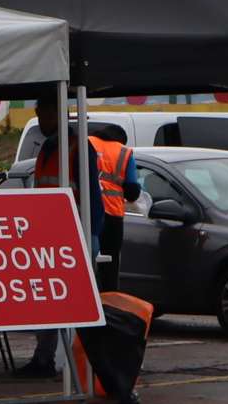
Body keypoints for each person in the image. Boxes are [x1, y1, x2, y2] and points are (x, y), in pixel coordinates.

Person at [21, 99, 105, 377]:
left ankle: (82, 363)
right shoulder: (48, 148)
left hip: (75, 236)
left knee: (76, 304)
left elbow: (93, 198)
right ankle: (44, 358)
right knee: (46, 302)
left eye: (40, 113)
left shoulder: (79, 148)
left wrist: (90, 238)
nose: (37, 119)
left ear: (55, 113)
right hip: (48, 237)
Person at [89, 122, 142, 291]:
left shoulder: (86, 142)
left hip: (85, 211)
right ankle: (108, 305)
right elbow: (133, 190)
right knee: (110, 265)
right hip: (112, 216)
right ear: (121, 140)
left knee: (85, 263)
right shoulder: (124, 152)